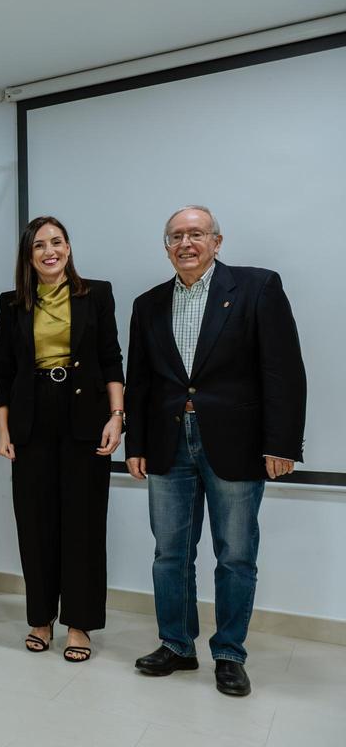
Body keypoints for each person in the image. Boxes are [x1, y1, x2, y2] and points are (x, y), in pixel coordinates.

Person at [126, 205, 306, 697]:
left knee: (236, 555)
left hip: (237, 443)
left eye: (196, 234)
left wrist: (281, 442)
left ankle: (228, 654)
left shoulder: (257, 287)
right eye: (176, 236)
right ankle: (177, 646)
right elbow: (140, 383)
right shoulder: (148, 304)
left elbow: (283, 370)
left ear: (217, 242)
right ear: (166, 247)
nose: (186, 243)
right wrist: (135, 443)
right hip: (166, 443)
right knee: (170, 555)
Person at [0, 216, 125, 661]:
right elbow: (5, 372)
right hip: (32, 415)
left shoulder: (97, 293)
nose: (50, 251)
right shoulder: (11, 304)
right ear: (28, 256)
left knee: (83, 524)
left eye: (57, 242)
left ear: (68, 247)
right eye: (40, 245)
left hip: (86, 413)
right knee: (34, 522)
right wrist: (3, 429)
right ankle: (40, 618)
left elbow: (111, 357)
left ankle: (79, 624)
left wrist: (117, 416)